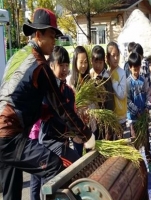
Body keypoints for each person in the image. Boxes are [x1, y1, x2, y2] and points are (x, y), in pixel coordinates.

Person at [0, 8, 95, 200]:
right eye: (51, 36)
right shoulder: (39, 66)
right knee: (54, 166)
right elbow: (62, 107)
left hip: (4, 137)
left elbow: (20, 98)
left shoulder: (17, 57)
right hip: (10, 136)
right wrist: (85, 134)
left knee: (11, 194)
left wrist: (43, 111)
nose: (54, 42)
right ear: (38, 34)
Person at [30, 46, 81, 200]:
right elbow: (57, 114)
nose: (64, 69)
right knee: (73, 164)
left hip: (62, 143)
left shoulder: (69, 92)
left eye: (66, 65)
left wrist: (77, 133)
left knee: (64, 175)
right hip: (48, 143)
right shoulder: (48, 90)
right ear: (51, 66)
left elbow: (71, 116)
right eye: (61, 65)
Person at [126, 52, 151, 173]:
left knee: (146, 141)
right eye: (134, 69)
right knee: (135, 141)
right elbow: (127, 100)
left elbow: (149, 95)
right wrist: (136, 111)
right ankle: (137, 165)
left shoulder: (143, 80)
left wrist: (147, 107)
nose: (136, 72)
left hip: (144, 116)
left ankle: (149, 162)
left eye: (138, 69)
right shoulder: (128, 82)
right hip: (134, 118)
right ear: (130, 68)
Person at [66, 45, 90, 156]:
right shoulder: (69, 82)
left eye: (86, 62)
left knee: (91, 159)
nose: (84, 65)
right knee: (79, 158)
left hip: (89, 126)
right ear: (75, 62)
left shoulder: (89, 80)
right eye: (81, 62)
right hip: (77, 129)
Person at [106, 41, 127, 136]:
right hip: (110, 115)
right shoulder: (106, 73)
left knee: (119, 145)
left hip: (120, 117)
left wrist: (113, 80)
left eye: (117, 55)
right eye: (113, 55)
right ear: (107, 57)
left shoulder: (121, 73)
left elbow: (122, 95)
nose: (116, 58)